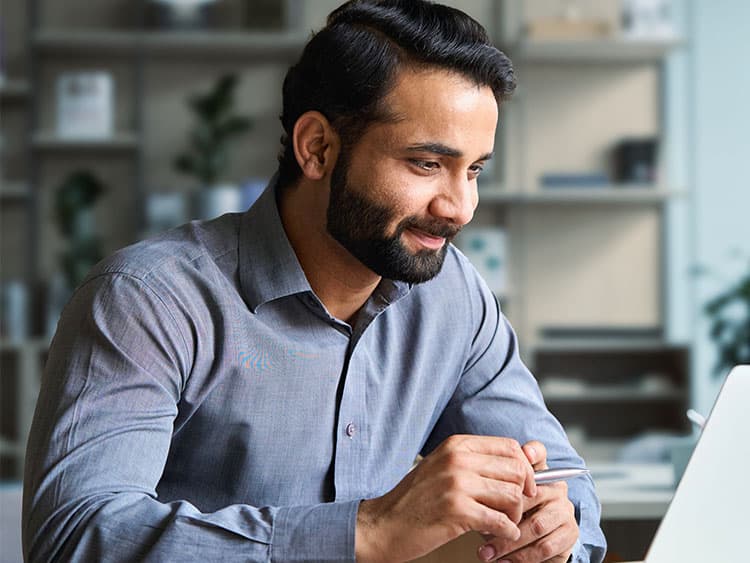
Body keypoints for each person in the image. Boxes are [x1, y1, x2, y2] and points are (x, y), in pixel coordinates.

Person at [23, 1, 607, 562]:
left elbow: (564, 481)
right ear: (318, 148)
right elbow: (76, 538)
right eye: (427, 164)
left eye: (474, 169)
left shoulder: (453, 295)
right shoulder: (148, 299)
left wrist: (557, 533)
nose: (460, 207)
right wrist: (366, 532)